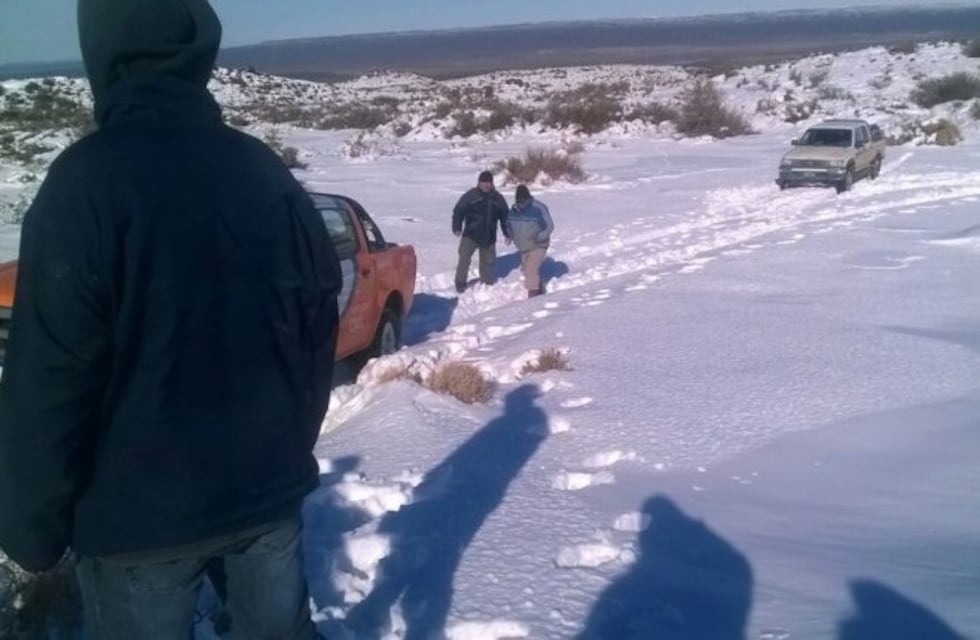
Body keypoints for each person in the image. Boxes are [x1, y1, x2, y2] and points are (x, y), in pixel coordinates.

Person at [0, 1, 342, 638]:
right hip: (265, 493)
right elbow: (317, 326)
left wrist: (31, 525)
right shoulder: (262, 169)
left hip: (139, 518)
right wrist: (291, 445)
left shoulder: (86, 183)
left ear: (101, 49)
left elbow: (51, 373)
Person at [452, 170, 510, 293]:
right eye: (483, 182)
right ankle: (460, 282)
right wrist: (457, 226)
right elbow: (459, 210)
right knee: (464, 258)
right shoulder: (471, 195)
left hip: (489, 236)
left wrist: (507, 233)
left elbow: (505, 217)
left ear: (492, 184)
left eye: (488, 182)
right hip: (470, 234)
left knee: (488, 262)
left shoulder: (497, 198)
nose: (486, 185)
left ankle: (487, 284)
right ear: (479, 183)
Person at [506, 184, 555, 297]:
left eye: (524, 198)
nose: (521, 201)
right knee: (526, 271)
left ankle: (533, 299)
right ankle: (539, 287)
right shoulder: (513, 211)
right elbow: (508, 225)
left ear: (528, 197)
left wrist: (540, 237)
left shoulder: (538, 208)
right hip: (524, 247)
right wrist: (509, 235)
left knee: (530, 270)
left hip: (539, 245)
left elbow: (549, 226)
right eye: (519, 199)